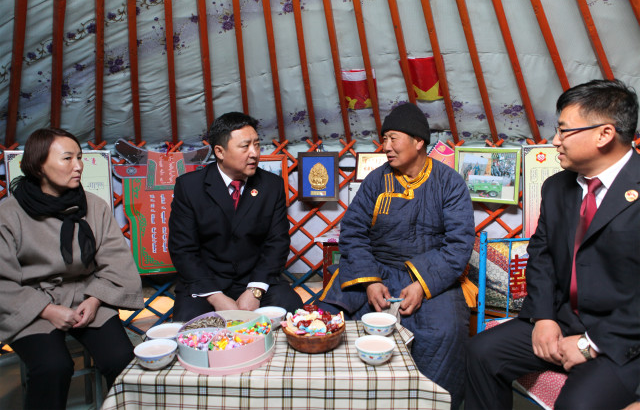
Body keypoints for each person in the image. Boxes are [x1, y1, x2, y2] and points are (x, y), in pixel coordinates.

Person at [465, 79, 640, 409]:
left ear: (604, 134)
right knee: (481, 353)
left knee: (577, 405)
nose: (554, 141)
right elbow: (541, 255)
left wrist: (591, 345)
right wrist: (542, 317)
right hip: (563, 319)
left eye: (564, 131)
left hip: (623, 337)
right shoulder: (558, 187)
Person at [318, 102, 477, 408]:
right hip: (376, 268)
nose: (386, 147)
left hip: (432, 274)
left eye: (393, 138)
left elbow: (458, 245)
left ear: (419, 142)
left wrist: (422, 284)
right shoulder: (377, 180)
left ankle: (431, 403)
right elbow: (353, 232)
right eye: (384, 139)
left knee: (443, 332)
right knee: (329, 319)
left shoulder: (450, 183)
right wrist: (370, 281)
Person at [0, 128, 144, 410]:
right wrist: (47, 310)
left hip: (86, 294)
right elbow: (2, 280)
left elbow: (117, 261)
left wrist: (95, 300)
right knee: (53, 366)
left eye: (79, 157)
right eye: (67, 159)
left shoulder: (95, 206)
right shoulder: (9, 213)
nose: (78, 166)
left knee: (122, 359)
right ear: (38, 165)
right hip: (32, 302)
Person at [168, 112, 303, 322]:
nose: (254, 153)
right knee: (189, 323)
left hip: (255, 279)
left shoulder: (271, 185)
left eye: (257, 145)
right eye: (245, 146)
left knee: (293, 311)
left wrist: (255, 291)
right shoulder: (190, 187)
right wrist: (216, 296)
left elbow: (277, 243)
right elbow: (183, 249)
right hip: (205, 283)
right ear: (220, 152)